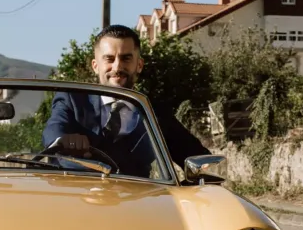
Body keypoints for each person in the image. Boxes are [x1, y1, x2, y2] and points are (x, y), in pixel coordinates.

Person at [42, 25, 209, 178]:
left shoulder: (154, 112)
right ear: (95, 65)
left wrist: (205, 170)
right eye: (109, 59)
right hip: (76, 197)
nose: (117, 67)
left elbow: (196, 157)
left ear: (139, 65)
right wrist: (64, 140)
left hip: (134, 203)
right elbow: (53, 131)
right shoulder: (73, 100)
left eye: (126, 58)